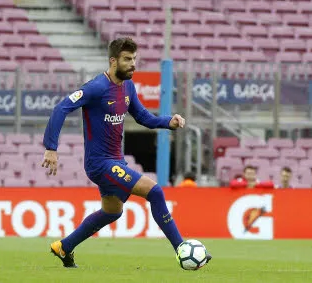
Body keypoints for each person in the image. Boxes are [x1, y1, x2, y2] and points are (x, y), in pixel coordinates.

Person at [41, 37, 211, 269]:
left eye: (134, 59)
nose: (133, 64)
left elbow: (143, 117)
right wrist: (51, 148)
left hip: (115, 160)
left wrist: (167, 121)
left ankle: (64, 247)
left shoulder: (128, 87)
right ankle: (182, 248)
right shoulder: (96, 87)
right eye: (128, 59)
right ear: (113, 61)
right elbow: (61, 108)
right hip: (99, 163)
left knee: (112, 212)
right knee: (155, 192)